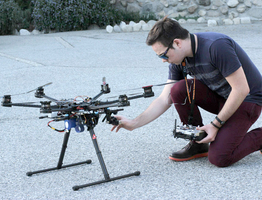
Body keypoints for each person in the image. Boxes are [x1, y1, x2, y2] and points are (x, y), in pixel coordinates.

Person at [111, 17, 262, 167]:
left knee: (220, 158)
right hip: (223, 97)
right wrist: (133, 123)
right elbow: (165, 99)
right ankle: (198, 143)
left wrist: (215, 125)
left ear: (177, 43)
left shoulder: (216, 46)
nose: (163, 60)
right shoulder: (179, 58)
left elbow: (241, 89)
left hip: (247, 99)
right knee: (178, 89)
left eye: (163, 55)